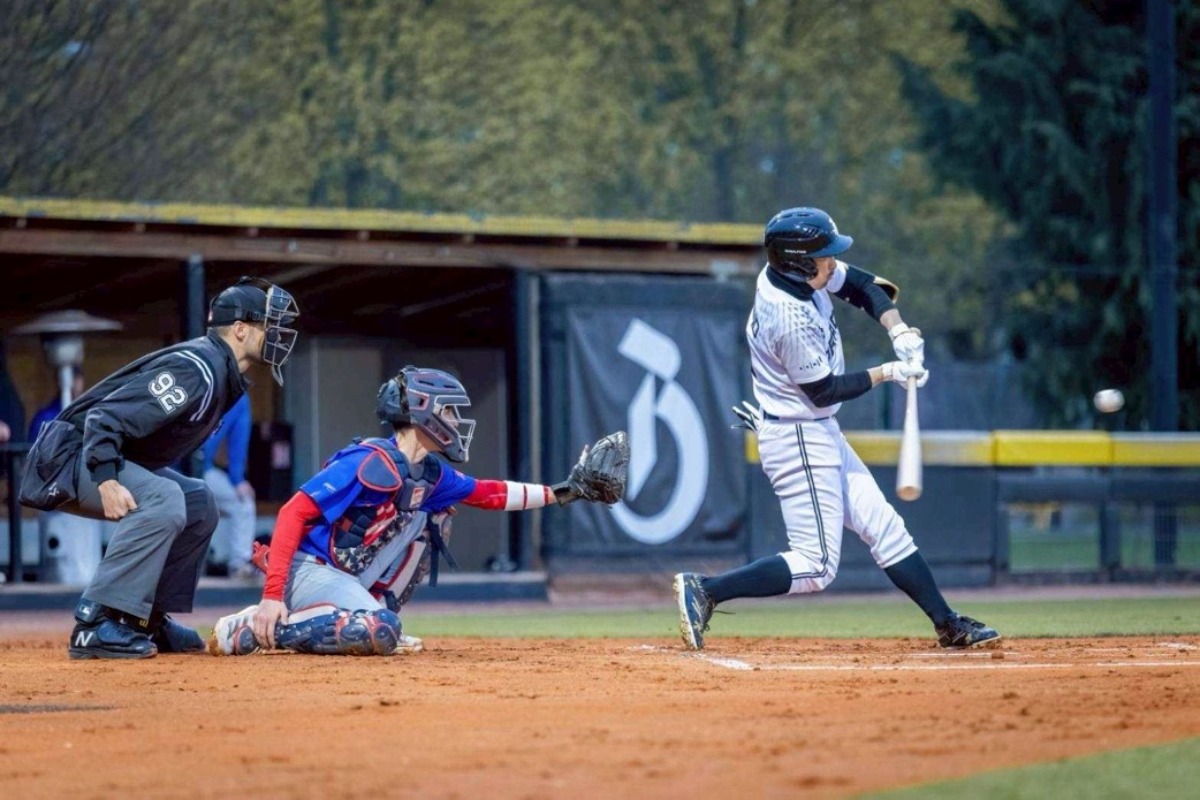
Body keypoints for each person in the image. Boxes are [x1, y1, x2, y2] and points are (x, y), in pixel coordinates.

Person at [673, 207, 1000, 651]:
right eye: (824, 256)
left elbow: (866, 286)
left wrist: (898, 331)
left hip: (817, 431)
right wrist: (888, 372)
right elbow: (824, 391)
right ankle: (706, 590)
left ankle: (947, 623)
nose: (832, 263)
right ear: (798, 262)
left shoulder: (801, 274)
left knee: (885, 528)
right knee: (816, 565)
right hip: (798, 437)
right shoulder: (786, 315)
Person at [208, 366, 627, 657]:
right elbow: (291, 514)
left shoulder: (429, 472)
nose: (456, 421)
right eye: (448, 411)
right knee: (381, 631)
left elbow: (488, 493)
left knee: (435, 515)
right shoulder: (369, 460)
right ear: (423, 410)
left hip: (343, 574)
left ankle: (367, 612)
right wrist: (271, 596)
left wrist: (566, 492)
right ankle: (256, 627)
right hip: (308, 569)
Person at [18, 276, 300, 659]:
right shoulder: (196, 368)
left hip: (95, 455)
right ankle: (97, 623)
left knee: (199, 501)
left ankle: (144, 619)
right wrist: (106, 480)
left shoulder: (218, 371)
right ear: (239, 330)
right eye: (268, 325)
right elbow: (105, 417)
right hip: (69, 457)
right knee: (165, 498)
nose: (277, 334)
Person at [28, 367, 105, 585]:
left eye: (77, 379)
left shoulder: (92, 414)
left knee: (87, 560)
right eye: (70, 380)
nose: (74, 385)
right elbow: (34, 461)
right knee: (60, 563)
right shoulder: (46, 416)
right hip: (56, 498)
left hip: (86, 493)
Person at [201, 394, 257, 579]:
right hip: (187, 469)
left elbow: (236, 441)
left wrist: (237, 479)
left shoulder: (234, 397)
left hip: (191, 469)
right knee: (243, 502)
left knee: (242, 502)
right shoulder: (234, 396)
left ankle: (239, 564)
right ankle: (239, 564)